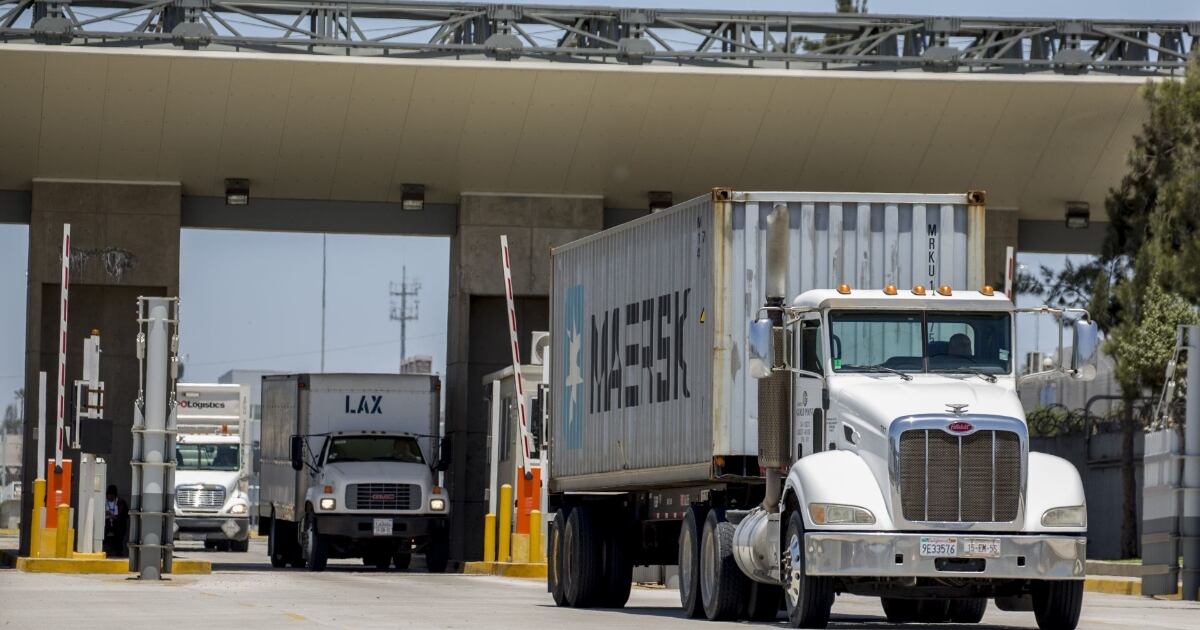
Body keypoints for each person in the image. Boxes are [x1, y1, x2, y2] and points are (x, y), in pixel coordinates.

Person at [103, 484, 129, 558]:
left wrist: (114, 517)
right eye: (108, 495)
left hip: (118, 527)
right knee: (106, 542)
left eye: (112, 495)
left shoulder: (121, 502)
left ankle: (118, 555)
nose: (110, 497)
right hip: (107, 525)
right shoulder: (103, 501)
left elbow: (125, 515)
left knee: (118, 543)